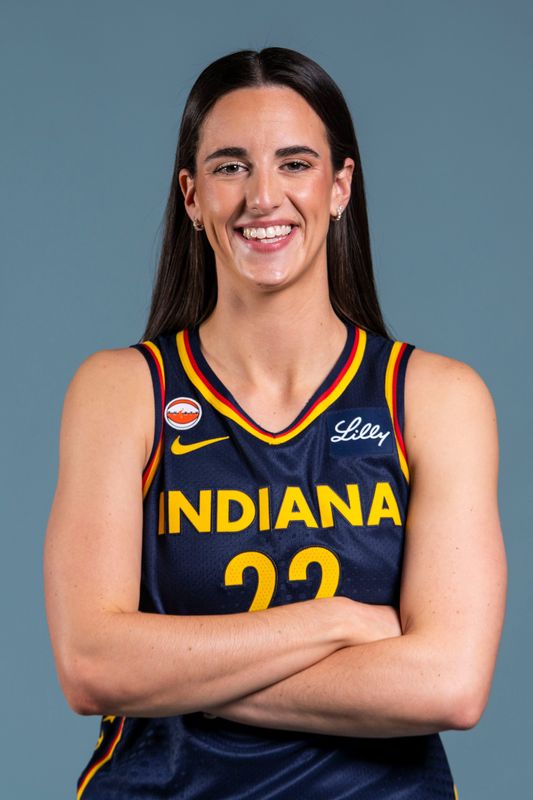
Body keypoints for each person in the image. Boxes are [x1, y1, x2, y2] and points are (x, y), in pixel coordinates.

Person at [44, 47, 507, 799]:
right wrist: (332, 621)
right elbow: (92, 667)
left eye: (294, 164)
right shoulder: (122, 391)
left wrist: (170, 675)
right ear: (191, 196)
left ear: (339, 187)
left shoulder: (433, 397)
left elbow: (447, 685)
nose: (263, 196)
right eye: (230, 167)